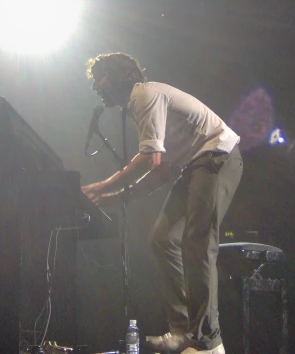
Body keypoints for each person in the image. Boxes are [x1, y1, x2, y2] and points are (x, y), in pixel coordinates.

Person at [81, 52, 243, 354]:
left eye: (99, 78)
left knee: (197, 242)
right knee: (162, 239)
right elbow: (161, 170)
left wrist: (105, 184)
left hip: (217, 156)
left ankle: (208, 341)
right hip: (197, 164)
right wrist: (120, 196)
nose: (95, 87)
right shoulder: (139, 103)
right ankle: (182, 331)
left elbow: (150, 159)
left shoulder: (143, 95)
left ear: (117, 75)